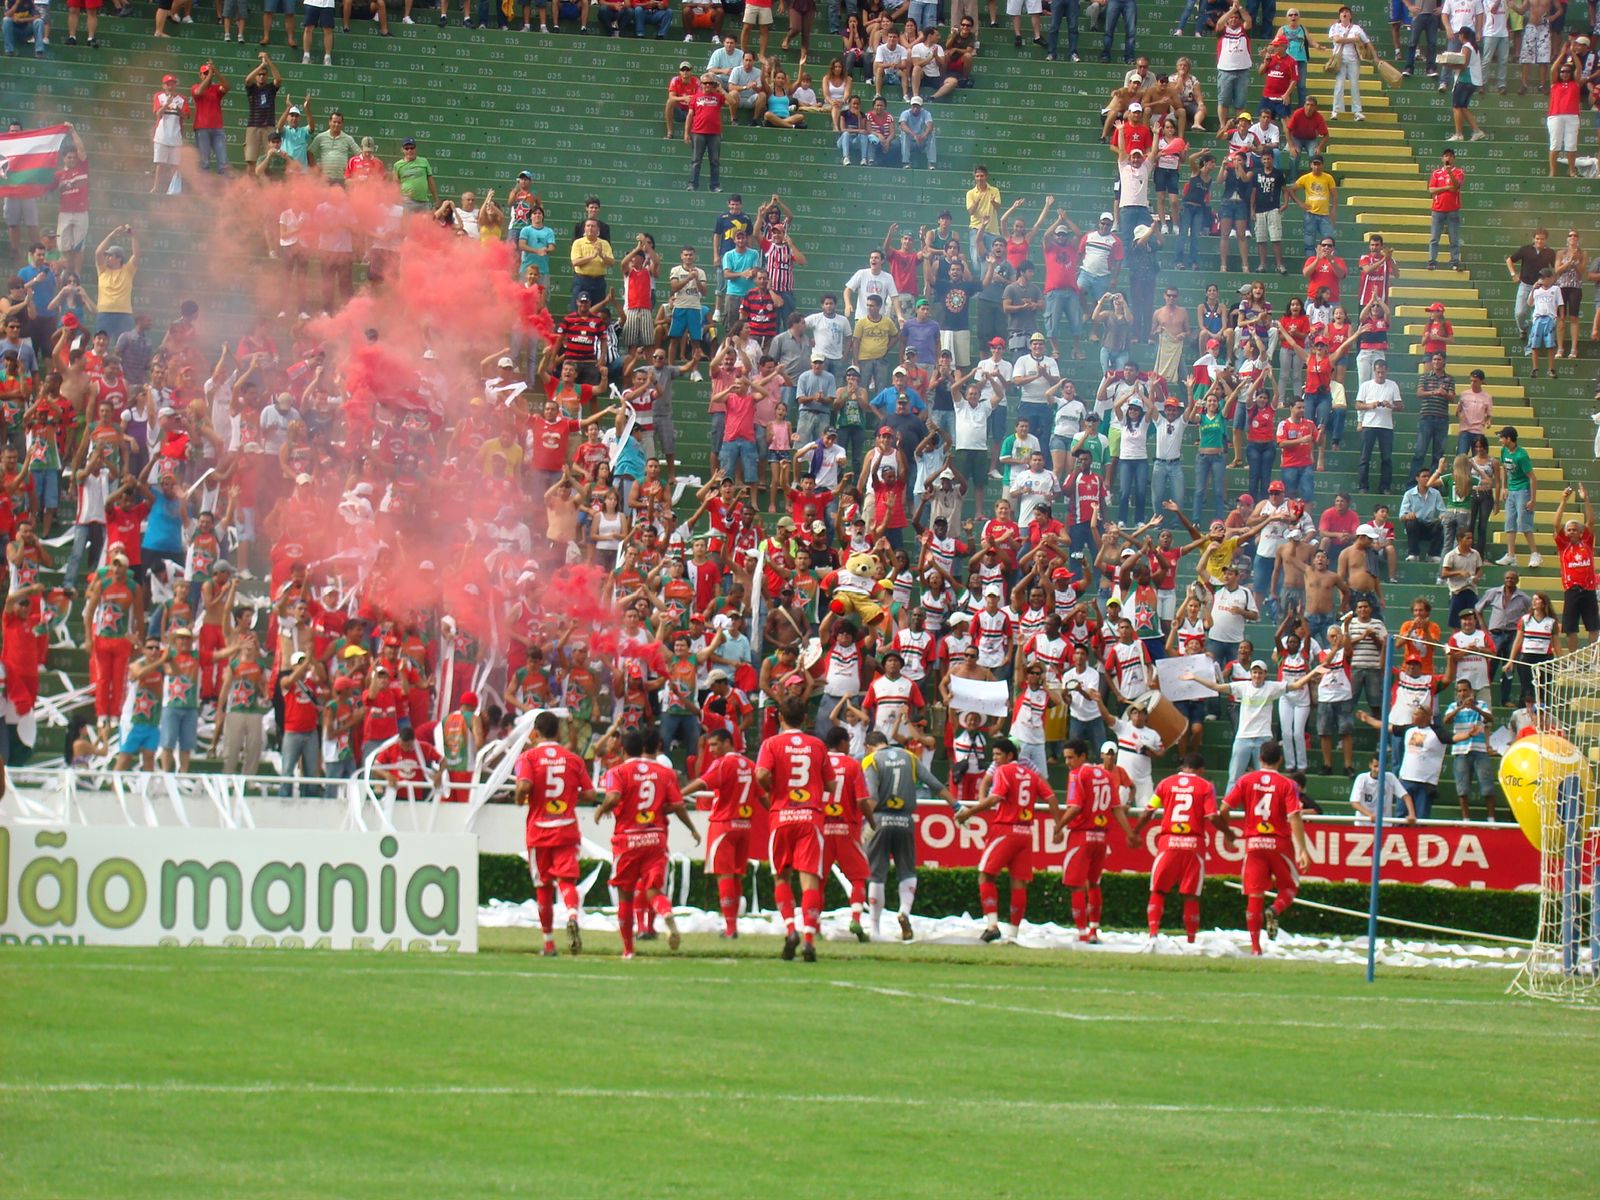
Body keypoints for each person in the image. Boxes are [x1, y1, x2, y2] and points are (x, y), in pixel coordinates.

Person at [596, 730, 697, 959]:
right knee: (654, 890)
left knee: (625, 895)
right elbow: (678, 804)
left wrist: (601, 810)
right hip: (656, 837)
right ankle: (667, 913)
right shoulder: (664, 772)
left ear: (623, 750)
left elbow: (611, 798)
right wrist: (692, 828)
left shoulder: (617, 772)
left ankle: (628, 950)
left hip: (628, 839)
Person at [754, 697, 835, 961]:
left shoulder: (771, 743)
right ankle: (809, 937)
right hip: (810, 818)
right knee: (809, 879)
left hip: (782, 816)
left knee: (782, 877)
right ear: (807, 719)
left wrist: (774, 787)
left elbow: (761, 775)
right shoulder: (817, 745)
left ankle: (791, 930)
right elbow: (832, 786)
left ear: (780, 718)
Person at [954, 734, 1056, 943]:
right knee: (1018, 883)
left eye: (998, 754)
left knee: (986, 875)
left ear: (1010, 755)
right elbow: (1052, 797)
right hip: (1026, 833)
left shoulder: (1004, 771)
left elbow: (994, 799)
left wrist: (969, 812)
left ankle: (992, 925)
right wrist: (1059, 825)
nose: (995, 759)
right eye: (994, 755)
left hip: (1005, 830)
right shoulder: (1031, 774)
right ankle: (1013, 935)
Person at [1218, 739, 1310, 955]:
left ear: (1259, 758)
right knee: (1289, 887)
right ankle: (1275, 909)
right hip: (1279, 843)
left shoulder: (1246, 780)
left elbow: (1224, 807)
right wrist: (1303, 849)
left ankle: (1256, 948)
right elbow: (1294, 816)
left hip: (1254, 842)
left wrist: (1228, 833)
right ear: (1280, 759)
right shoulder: (1288, 784)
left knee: (1254, 894)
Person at [862, 729, 951, 942]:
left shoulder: (870, 760)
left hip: (881, 819)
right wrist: (956, 805)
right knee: (907, 870)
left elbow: (872, 796)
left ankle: (874, 928)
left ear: (868, 746)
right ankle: (904, 911)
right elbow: (934, 783)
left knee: (876, 873)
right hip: (905, 820)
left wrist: (865, 822)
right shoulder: (909, 757)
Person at [1185, 657, 1321, 791]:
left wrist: (1314, 672)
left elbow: (1297, 685)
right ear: (1250, 674)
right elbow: (1217, 687)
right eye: (1254, 672)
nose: (1257, 675)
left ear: (1265, 674)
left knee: (1264, 780)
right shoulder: (1242, 687)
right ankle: (1228, 808)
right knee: (1234, 778)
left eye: (1260, 672)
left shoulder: (1272, 687)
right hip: (1243, 738)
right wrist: (1195, 677)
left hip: (1263, 739)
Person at [680, 725, 763, 939]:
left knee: (724, 875)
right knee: (735, 876)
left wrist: (677, 795)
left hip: (723, 825)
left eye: (716, 744)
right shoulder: (751, 765)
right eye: (710, 746)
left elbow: (701, 782)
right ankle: (732, 924)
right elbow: (763, 797)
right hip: (744, 826)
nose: (713, 749)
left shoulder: (723, 763)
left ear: (728, 742)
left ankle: (730, 928)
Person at [1134, 752, 1224, 945]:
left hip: (1169, 842)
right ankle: (1190, 940)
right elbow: (1212, 816)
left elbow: (1149, 811)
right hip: (1193, 843)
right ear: (1201, 770)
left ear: (1183, 767)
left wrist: (1135, 832)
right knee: (1191, 896)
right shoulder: (1206, 786)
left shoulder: (1165, 784)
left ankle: (1153, 934)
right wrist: (1230, 834)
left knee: (1158, 890)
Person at [1054, 738, 1133, 944]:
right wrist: (1130, 833)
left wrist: (1059, 826)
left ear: (1082, 756)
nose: (1068, 762)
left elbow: (1076, 807)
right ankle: (1094, 931)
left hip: (1082, 835)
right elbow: (1117, 808)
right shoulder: (1107, 775)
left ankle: (1081, 932)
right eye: (1066, 758)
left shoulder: (1078, 774)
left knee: (1076, 885)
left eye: (1071, 757)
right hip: (1101, 837)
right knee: (1094, 883)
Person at [1553, 485, 1596, 652]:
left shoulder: (1587, 543)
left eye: (1574, 530)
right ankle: (1572, 661)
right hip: (1571, 590)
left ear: (1580, 532)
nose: (1571, 532)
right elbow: (1556, 525)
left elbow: (1591, 522)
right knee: (1571, 629)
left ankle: (1594, 661)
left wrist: (1585, 499)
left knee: (1593, 628)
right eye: (1568, 530)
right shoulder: (1563, 546)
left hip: (1589, 589)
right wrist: (1563, 500)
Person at [1494, 425, 1538, 567]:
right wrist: (1504, 487)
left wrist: (1532, 499)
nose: (1500, 440)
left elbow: (1532, 477)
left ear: (1508, 438)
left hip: (1523, 490)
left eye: (1502, 437)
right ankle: (1511, 555)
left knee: (1524, 523)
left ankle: (1535, 554)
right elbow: (1504, 469)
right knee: (1510, 522)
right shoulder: (1504, 451)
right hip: (1511, 491)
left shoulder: (1521, 455)